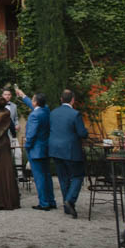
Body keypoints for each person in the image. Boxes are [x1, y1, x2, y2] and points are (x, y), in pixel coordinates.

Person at [49, 89, 88, 218]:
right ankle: (70, 200)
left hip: (55, 149)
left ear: (61, 99)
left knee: (63, 178)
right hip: (70, 149)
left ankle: (67, 207)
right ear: (73, 100)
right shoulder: (75, 114)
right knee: (77, 175)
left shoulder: (53, 113)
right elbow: (82, 133)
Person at [17, 88, 55, 211]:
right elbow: (35, 105)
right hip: (45, 148)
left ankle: (43, 203)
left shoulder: (34, 115)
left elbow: (31, 135)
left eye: (32, 100)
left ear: (35, 103)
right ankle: (51, 201)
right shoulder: (46, 110)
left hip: (35, 150)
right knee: (47, 176)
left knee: (39, 178)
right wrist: (23, 96)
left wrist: (26, 147)